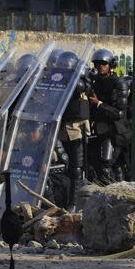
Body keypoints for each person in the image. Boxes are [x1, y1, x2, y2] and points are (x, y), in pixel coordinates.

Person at [88, 48, 130, 184]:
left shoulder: (118, 83)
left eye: (103, 64)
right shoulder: (94, 82)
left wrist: (98, 103)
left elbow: (119, 113)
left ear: (110, 65)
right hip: (99, 130)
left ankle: (113, 196)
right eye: (97, 64)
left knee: (106, 165)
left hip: (115, 132)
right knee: (105, 166)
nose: (100, 67)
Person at [56, 51, 91, 210]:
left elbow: (82, 87)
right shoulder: (58, 80)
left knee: (77, 169)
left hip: (76, 131)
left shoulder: (79, 81)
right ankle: (63, 199)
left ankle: (74, 203)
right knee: (63, 167)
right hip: (60, 130)